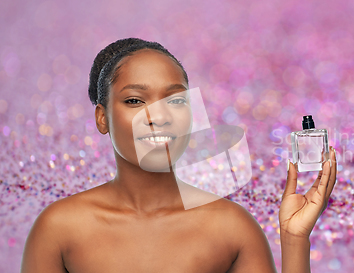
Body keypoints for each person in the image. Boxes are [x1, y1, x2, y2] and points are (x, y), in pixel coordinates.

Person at [20, 38, 337, 273]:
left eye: (175, 101)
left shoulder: (232, 228)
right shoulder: (58, 228)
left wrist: (295, 240)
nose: (159, 115)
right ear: (102, 117)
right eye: (134, 100)